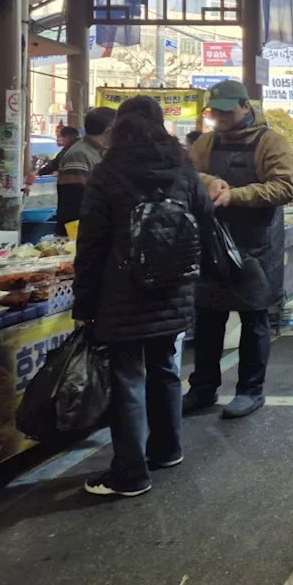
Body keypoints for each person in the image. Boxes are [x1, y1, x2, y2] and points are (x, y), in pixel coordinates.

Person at [72, 96, 214, 498]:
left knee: (128, 378)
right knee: (166, 367)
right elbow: (204, 218)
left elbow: (92, 243)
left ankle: (131, 473)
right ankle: (167, 449)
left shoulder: (108, 171)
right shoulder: (182, 166)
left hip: (123, 293)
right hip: (173, 288)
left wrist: (84, 302)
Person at [184, 80, 293, 419]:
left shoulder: (272, 143)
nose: (220, 116)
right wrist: (208, 182)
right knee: (208, 318)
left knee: (254, 318)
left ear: (245, 107)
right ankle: (203, 388)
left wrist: (236, 195)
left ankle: (251, 390)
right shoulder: (205, 142)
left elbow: (285, 186)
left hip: (256, 244)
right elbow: (188, 176)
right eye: (215, 111)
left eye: (227, 110)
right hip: (213, 241)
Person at [56, 107, 116, 236]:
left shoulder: (98, 151)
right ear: (109, 129)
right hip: (76, 230)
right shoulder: (79, 154)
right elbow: (75, 199)